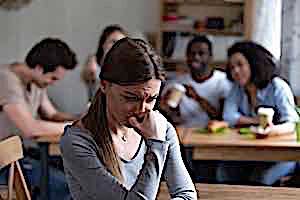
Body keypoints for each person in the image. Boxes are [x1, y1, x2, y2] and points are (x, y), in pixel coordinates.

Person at [60, 37, 197, 200]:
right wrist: (156, 146)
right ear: (104, 85)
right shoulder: (77, 141)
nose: (142, 110)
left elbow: (186, 194)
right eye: (131, 98)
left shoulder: (161, 128)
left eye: (151, 99)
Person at [0, 38, 78, 199]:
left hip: (21, 155)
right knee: (65, 186)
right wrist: (76, 126)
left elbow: (52, 115)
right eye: (53, 78)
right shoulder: (6, 80)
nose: (53, 83)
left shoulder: (36, 83)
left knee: (78, 172)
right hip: (5, 162)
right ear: (39, 68)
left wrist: (85, 117)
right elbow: (30, 128)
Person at [217, 41, 299, 185]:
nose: (235, 71)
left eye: (240, 64)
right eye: (231, 67)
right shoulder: (237, 88)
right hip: (250, 151)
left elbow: (292, 123)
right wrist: (258, 122)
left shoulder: (277, 86)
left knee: (261, 179)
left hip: (281, 154)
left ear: (253, 63)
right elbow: (228, 117)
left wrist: (272, 130)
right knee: (223, 172)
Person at [160, 35, 232, 128]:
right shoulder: (176, 82)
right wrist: (165, 108)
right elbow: (169, 117)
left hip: (212, 134)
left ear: (210, 56)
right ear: (186, 56)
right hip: (184, 134)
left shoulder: (223, 81)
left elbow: (222, 118)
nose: (196, 57)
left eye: (201, 53)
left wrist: (197, 97)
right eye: (192, 53)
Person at [81, 24, 127, 100]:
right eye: (113, 41)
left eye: (121, 43)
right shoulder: (93, 61)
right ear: (103, 44)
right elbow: (87, 77)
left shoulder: (127, 66)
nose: (118, 46)